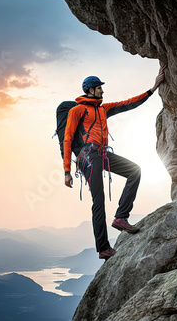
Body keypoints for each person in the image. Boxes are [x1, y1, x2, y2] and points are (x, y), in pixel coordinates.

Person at [63, 64, 166, 260]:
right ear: (91, 90)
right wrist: (67, 171)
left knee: (134, 171)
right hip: (88, 157)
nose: (103, 90)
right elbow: (68, 138)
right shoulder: (77, 111)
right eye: (99, 87)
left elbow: (128, 103)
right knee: (98, 200)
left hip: (102, 155)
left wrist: (152, 89)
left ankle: (121, 217)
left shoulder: (103, 109)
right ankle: (103, 247)